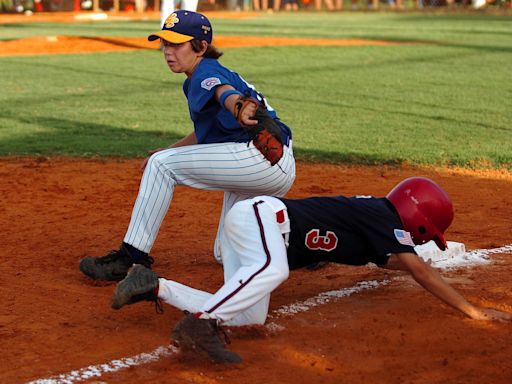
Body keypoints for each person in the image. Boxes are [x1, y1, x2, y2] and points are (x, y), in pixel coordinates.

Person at [109, 177, 512, 363]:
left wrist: (413, 264)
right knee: (274, 269)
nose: (422, 241)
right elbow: (418, 270)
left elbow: (399, 263)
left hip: (255, 226)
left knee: (249, 315)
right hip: (263, 219)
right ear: (417, 218)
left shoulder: (376, 225)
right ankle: (201, 323)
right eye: (426, 234)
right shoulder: (383, 216)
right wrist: (473, 311)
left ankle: (155, 287)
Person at [79, 10, 295, 282]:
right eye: (164, 44)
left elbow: (223, 92)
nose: (168, 52)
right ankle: (299, 245)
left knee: (162, 167)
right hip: (265, 163)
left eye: (176, 44)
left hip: (260, 156)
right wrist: (169, 149)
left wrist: (237, 105)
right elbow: (204, 133)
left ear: (201, 46)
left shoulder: (206, 70)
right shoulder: (195, 78)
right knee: (227, 250)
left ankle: (131, 257)